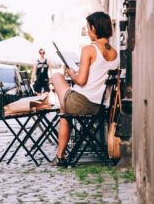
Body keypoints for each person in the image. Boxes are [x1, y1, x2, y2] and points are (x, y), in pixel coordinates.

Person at [50, 12, 119, 165]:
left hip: (81, 103)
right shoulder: (115, 53)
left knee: (56, 77)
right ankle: (59, 154)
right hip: (100, 107)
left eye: (88, 28)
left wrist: (70, 73)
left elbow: (81, 81)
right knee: (64, 111)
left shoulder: (88, 49)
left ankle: (60, 156)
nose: (87, 31)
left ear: (94, 28)